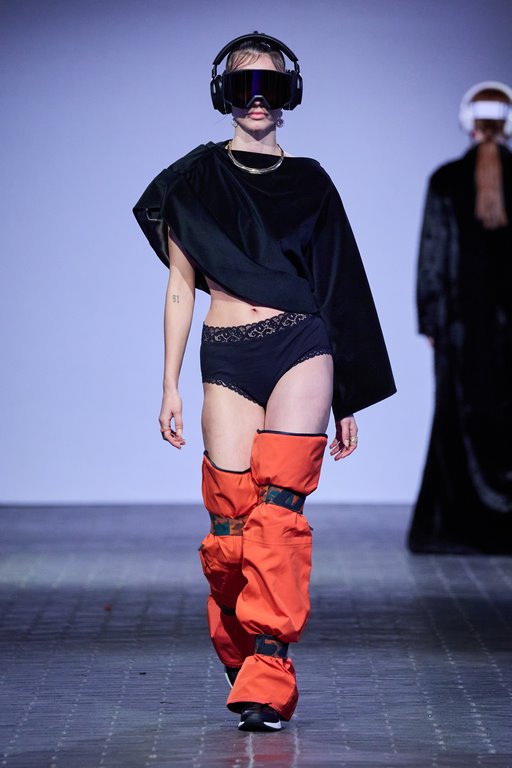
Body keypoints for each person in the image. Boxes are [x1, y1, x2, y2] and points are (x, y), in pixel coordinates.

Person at [134, 32, 395, 731]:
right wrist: (169, 384)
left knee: (279, 512)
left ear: (289, 96)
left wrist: (348, 395)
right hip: (228, 350)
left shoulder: (312, 182)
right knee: (230, 527)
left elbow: (340, 284)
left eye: (270, 86)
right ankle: (240, 647)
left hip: (302, 342)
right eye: (242, 85)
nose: (256, 98)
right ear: (222, 94)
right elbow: (180, 288)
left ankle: (270, 672)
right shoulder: (191, 182)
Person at [408, 81, 512, 554]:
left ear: (468, 124)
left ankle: (456, 529)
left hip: (461, 329)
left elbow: (432, 257)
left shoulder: (445, 180)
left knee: (457, 419)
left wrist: (432, 322)